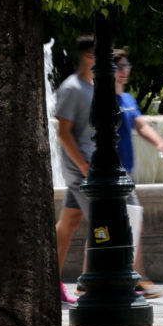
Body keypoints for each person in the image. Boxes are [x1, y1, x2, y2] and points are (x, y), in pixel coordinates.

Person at [114, 49, 163, 299]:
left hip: (125, 172)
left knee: (133, 220)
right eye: (120, 66)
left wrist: (159, 142)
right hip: (107, 174)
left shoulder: (127, 99)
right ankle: (135, 277)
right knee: (111, 223)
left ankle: (137, 277)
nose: (125, 70)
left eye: (127, 65)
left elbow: (140, 125)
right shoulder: (102, 100)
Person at [54, 35, 96, 303]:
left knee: (68, 223)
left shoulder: (91, 85)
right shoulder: (71, 88)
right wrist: (83, 166)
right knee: (102, 224)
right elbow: (63, 132)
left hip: (86, 170)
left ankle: (49, 280)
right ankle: (90, 285)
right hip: (81, 171)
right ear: (89, 56)